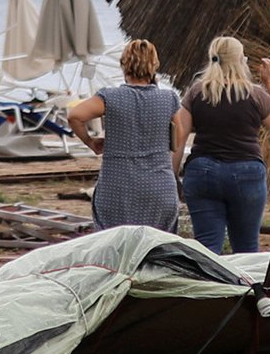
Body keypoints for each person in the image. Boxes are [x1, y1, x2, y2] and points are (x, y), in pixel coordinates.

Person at [177, 35, 270, 254]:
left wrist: (172, 175)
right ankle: (244, 288)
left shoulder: (196, 92)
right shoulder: (255, 94)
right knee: (247, 249)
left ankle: (209, 287)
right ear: (241, 61)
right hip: (246, 172)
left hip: (202, 172)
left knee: (206, 249)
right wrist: (269, 83)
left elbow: (180, 137)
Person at [69, 37, 186, 232]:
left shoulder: (109, 97)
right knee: (157, 250)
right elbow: (179, 138)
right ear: (154, 65)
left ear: (124, 65)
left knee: (115, 250)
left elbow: (75, 116)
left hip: (117, 188)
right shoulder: (169, 99)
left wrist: (90, 142)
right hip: (159, 187)